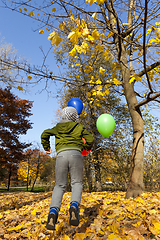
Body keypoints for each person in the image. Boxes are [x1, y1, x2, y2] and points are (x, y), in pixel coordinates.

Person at [41, 106, 94, 230]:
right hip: (76, 155)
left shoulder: (57, 127)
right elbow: (90, 139)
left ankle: (53, 212)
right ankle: (74, 206)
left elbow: (45, 133)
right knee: (77, 183)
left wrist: (46, 147)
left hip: (61, 156)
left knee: (59, 185)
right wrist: (85, 148)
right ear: (75, 116)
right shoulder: (79, 127)